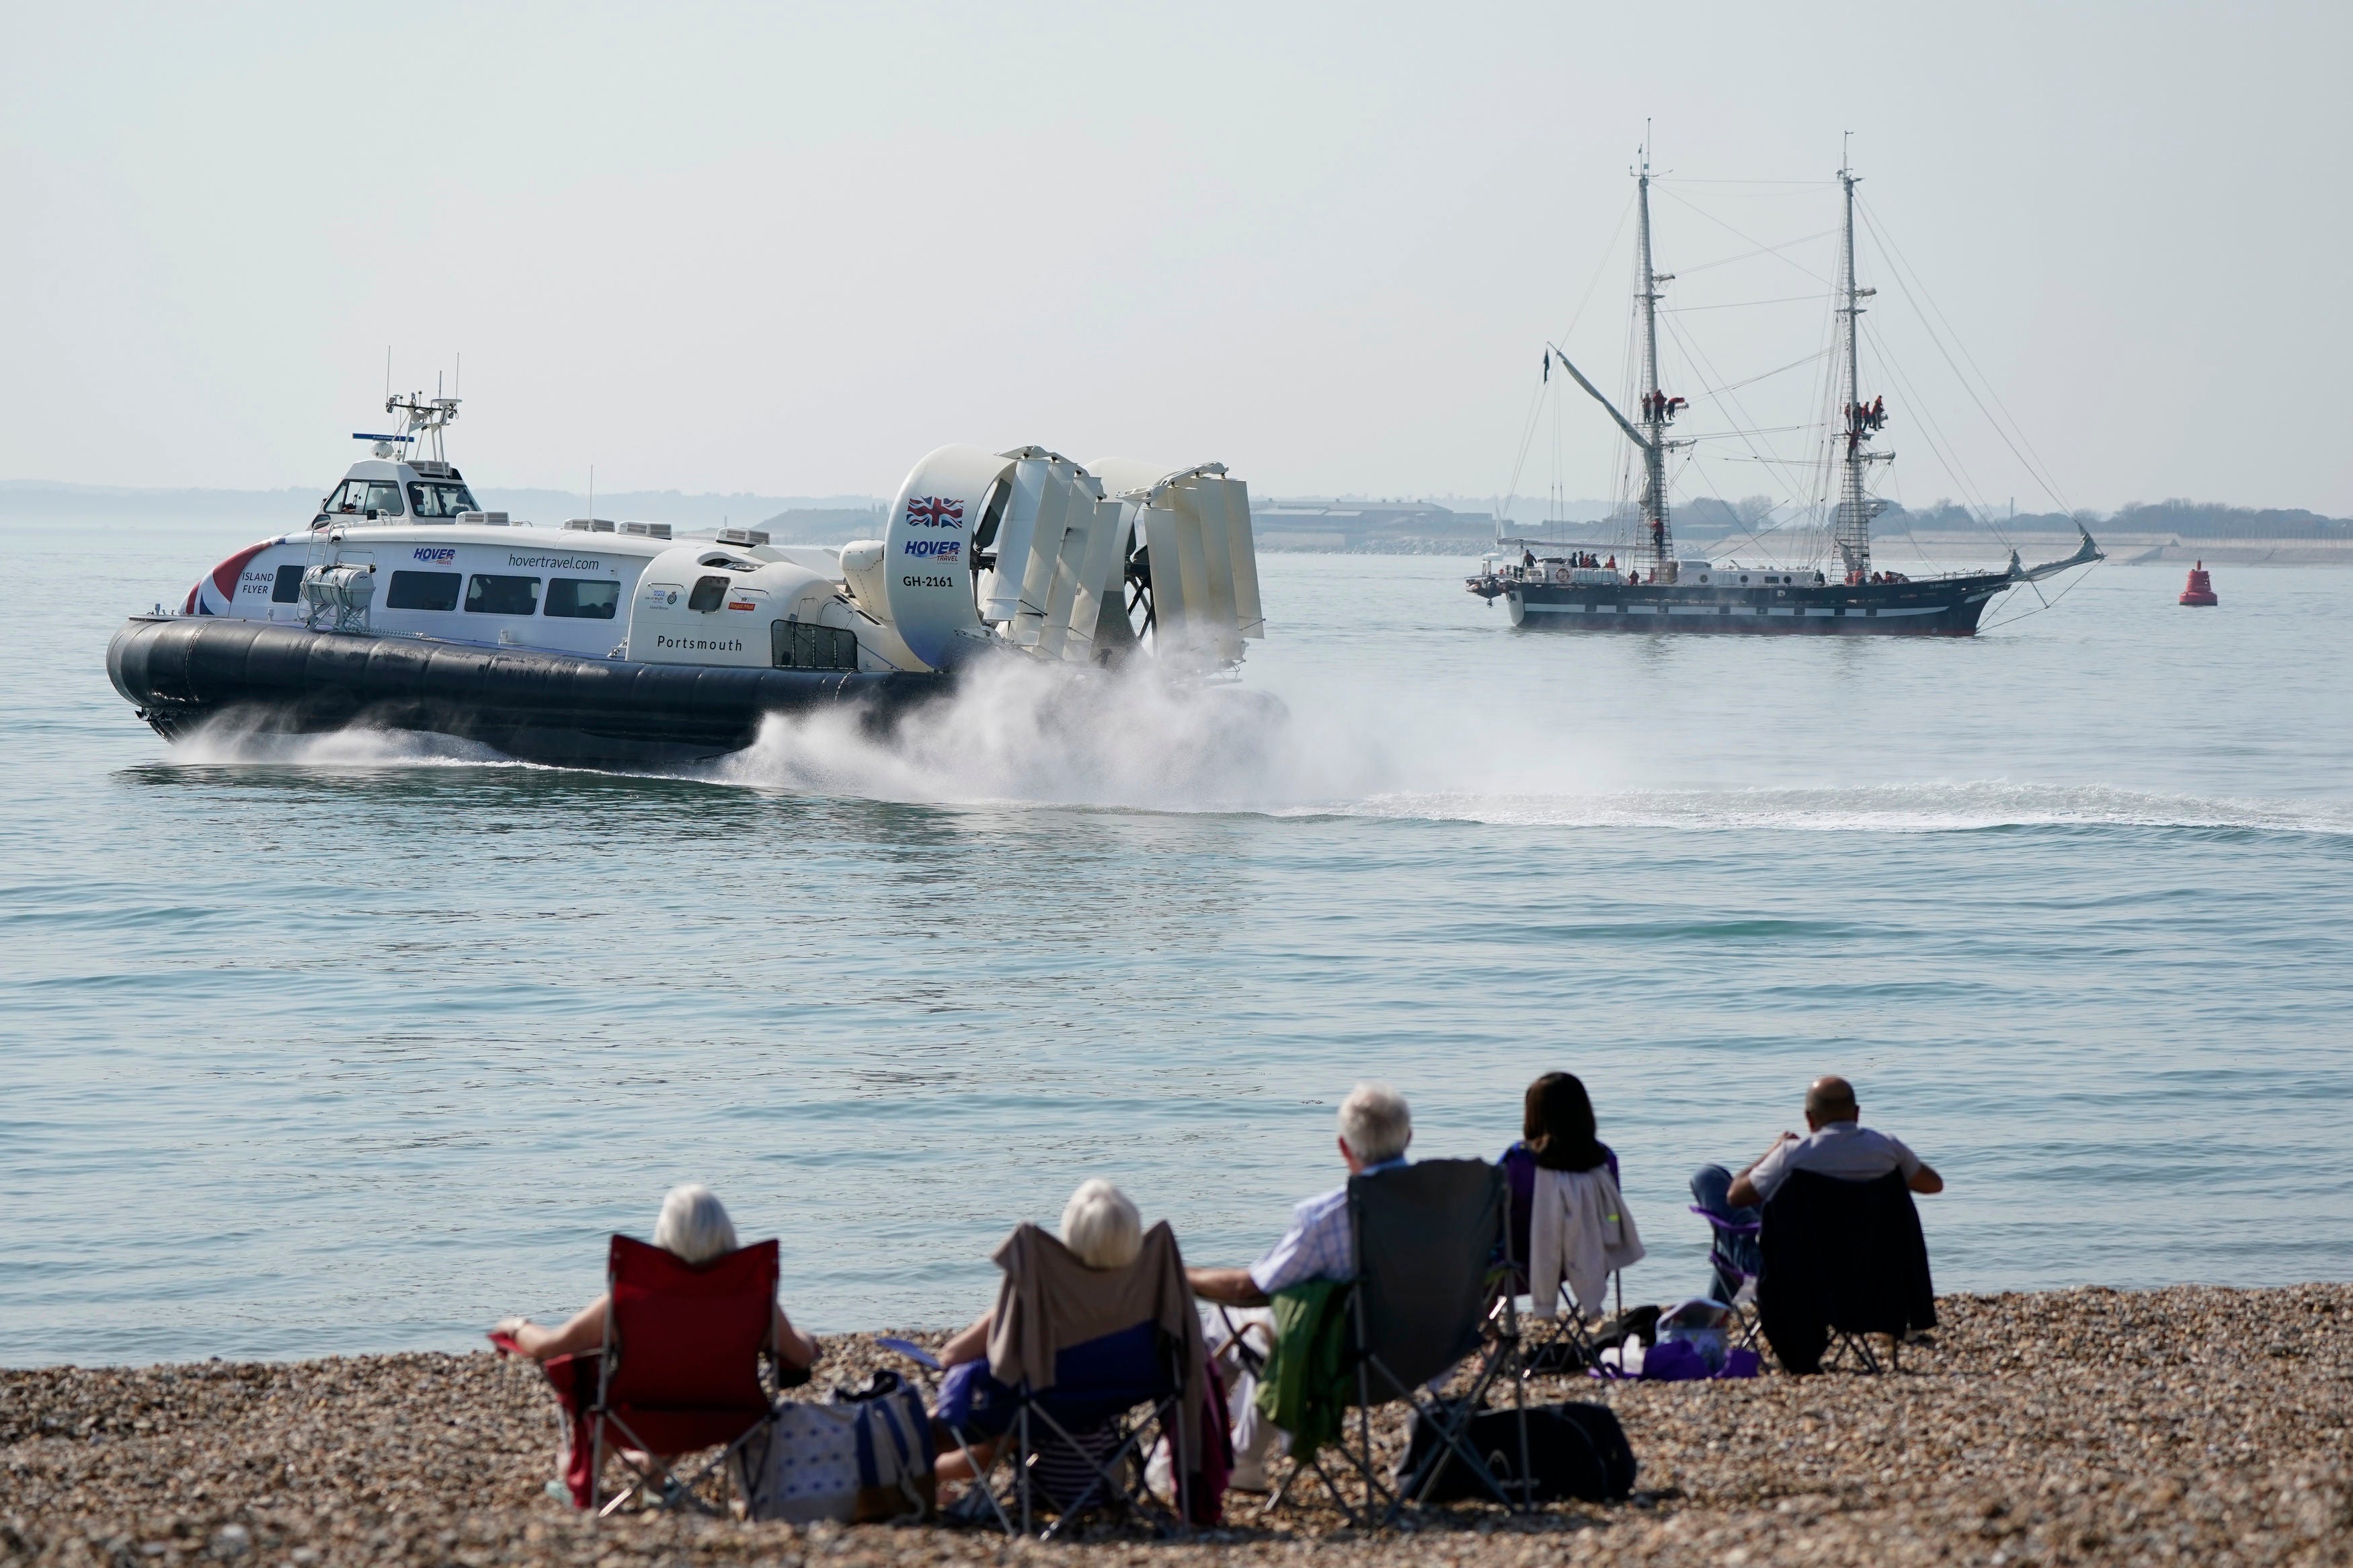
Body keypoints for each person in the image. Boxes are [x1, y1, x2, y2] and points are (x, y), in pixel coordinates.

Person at [1185, 1084, 1412, 1491]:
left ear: (1344, 1148)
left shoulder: (1329, 1216)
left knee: (1234, 1317)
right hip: (1425, 1354)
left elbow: (1252, 1288)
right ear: (1409, 1138)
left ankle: (1228, 1457)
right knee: (1282, 1325)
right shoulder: (1452, 1204)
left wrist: (1179, 1274)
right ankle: (1237, 1455)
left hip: (1343, 1364)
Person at [932, 1179, 1146, 1491]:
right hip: (1102, 1416)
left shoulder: (1039, 1297)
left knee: (980, 1422)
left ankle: (912, 1478)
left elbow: (951, 1356)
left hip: (1037, 1416)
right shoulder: (1143, 1301)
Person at [492, 1184, 822, 1372]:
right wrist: (801, 1334)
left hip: (638, 1419)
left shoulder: (626, 1302)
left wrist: (517, 1326)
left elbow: (550, 1348)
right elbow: (802, 1356)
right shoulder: (755, 1304)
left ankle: (604, 1472)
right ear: (727, 1232)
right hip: (731, 1422)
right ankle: (651, 1473)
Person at [1689, 1076, 1942, 1304]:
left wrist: (1771, 1153)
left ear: (1809, 1118)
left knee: (1709, 1177)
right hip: (1869, 1275)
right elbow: (1934, 1184)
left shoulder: (1793, 1155)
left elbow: (1735, 1196)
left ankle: (1708, 1324)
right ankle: (1709, 1322)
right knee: (1748, 1222)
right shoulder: (1889, 1149)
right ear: (1856, 1114)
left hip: (1791, 1276)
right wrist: (1898, 1160)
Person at [1501, 1073, 1642, 1319]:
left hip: (1518, 1268)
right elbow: (1612, 1214)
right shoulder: (1604, 1160)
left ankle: (1491, 1338)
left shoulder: (1519, 1160)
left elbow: (1493, 1209)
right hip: (1593, 1260)